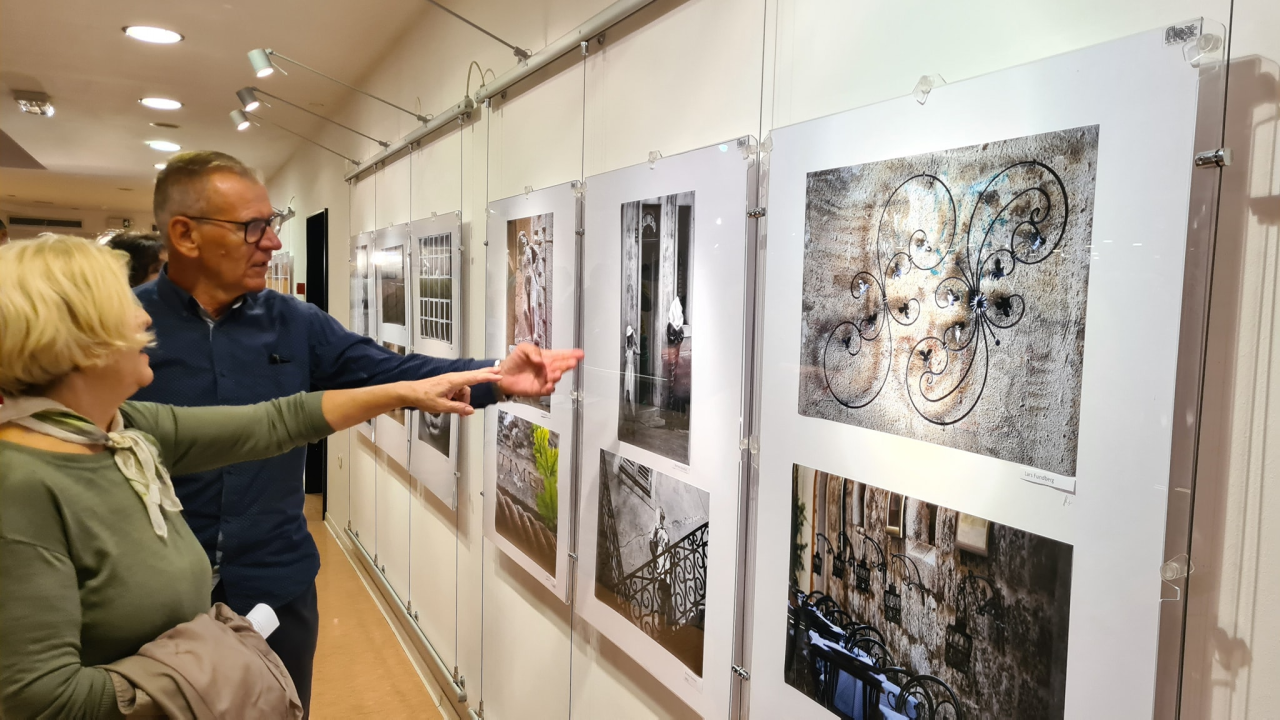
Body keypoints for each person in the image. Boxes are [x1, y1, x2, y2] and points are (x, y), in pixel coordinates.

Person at [134, 150, 582, 717]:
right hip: (160, 595)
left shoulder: (295, 323)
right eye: (253, 227)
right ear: (185, 234)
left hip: (275, 587)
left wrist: (500, 379)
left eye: (271, 225)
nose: (271, 243)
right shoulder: (121, 334)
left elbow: (394, 373)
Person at [0, 234, 500, 719]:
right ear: (70, 336)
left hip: (266, 589)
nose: (143, 316)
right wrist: (218, 662)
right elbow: (43, 701)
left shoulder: (124, 431)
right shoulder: (20, 484)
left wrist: (419, 390)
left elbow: (277, 420)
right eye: (118, 304)